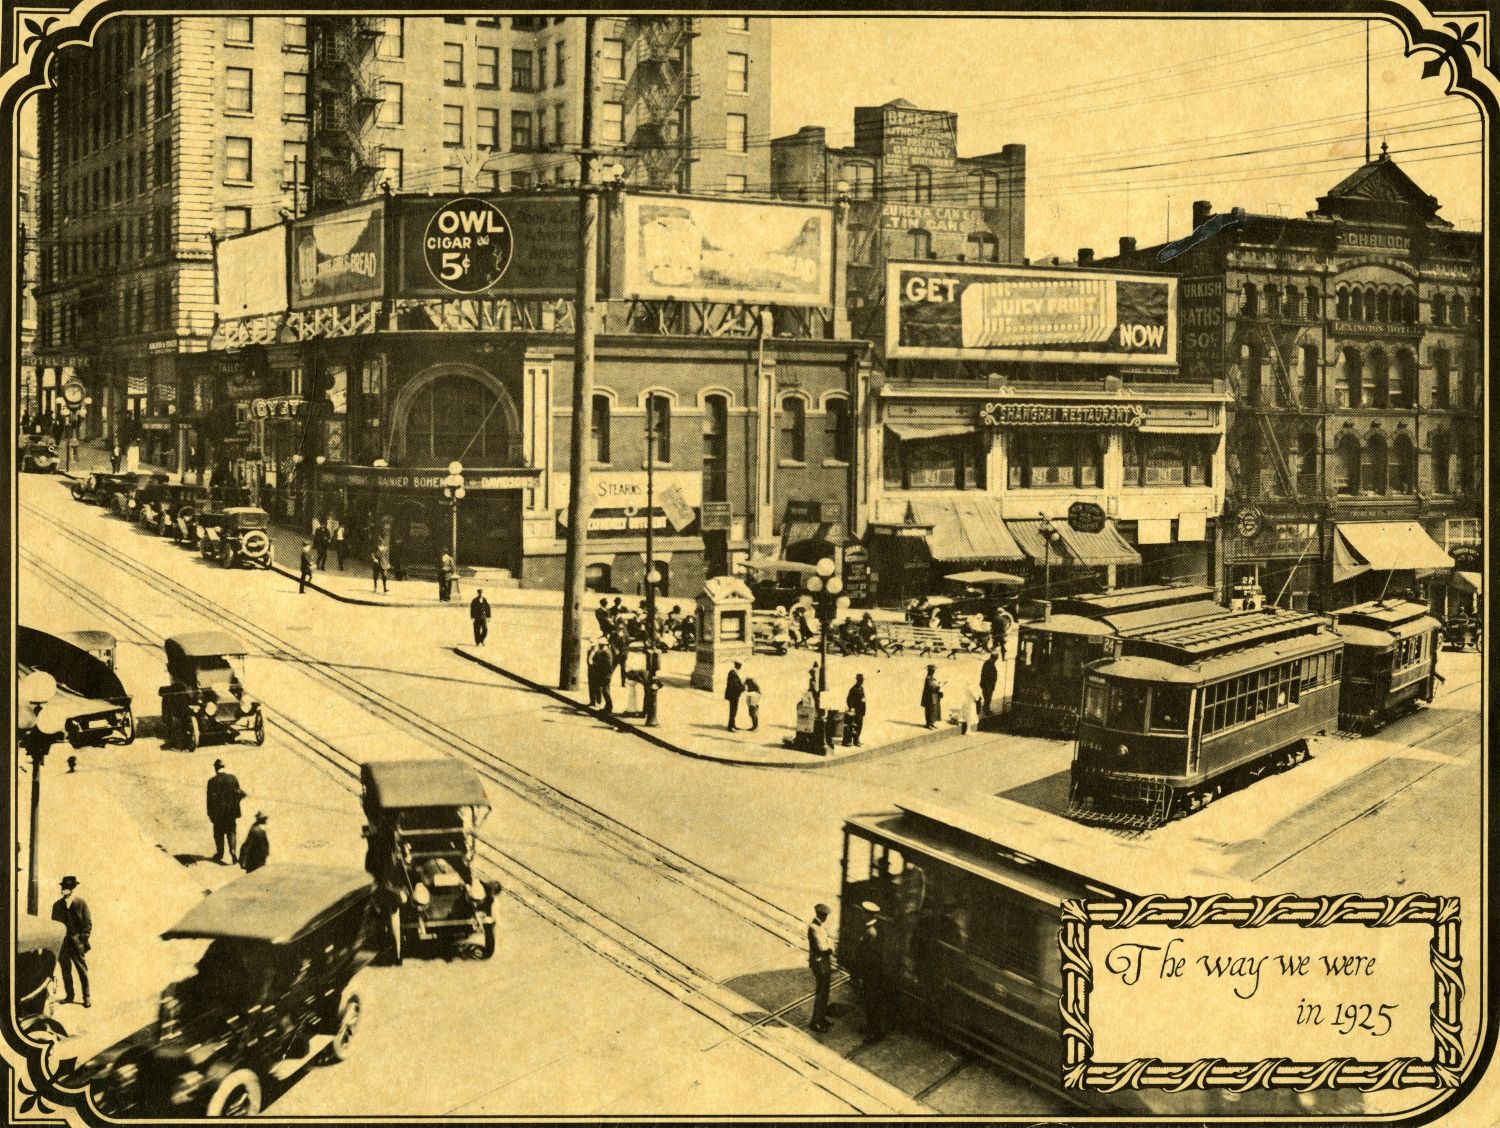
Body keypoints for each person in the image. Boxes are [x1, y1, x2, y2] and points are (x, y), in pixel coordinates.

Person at [52, 876, 92, 1007]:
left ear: (72, 889)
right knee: (65, 970)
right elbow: (54, 924)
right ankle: (70, 996)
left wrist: (81, 939)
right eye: (62, 887)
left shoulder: (81, 903)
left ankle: (87, 997)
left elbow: (88, 924)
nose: (63, 890)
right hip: (62, 943)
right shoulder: (57, 905)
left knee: (82, 970)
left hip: (76, 942)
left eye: (66, 888)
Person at [851, 901, 889, 1037]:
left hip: (870, 974)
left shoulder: (870, 932)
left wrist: (860, 973)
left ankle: (875, 1032)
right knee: (871, 1002)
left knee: (871, 1002)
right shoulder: (874, 927)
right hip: (873, 974)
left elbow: (868, 958)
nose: (861, 914)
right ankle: (871, 1028)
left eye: (863, 912)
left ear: (868, 914)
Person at [206, 758, 247, 865]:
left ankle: (220, 853)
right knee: (231, 832)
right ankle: (233, 851)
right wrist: (235, 804)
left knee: (218, 833)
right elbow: (240, 793)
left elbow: (209, 801)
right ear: (224, 767)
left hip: (218, 814)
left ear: (216, 769)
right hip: (231, 813)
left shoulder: (211, 782)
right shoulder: (233, 779)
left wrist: (210, 814)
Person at [806, 903, 834, 1033]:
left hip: (824, 963)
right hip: (819, 963)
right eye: (825, 915)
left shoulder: (820, 926)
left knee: (825, 992)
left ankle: (821, 1018)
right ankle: (815, 1022)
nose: (826, 918)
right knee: (821, 993)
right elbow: (822, 948)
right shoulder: (814, 927)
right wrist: (830, 950)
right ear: (820, 915)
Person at [589, 642, 615, 713]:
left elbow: (608, 665)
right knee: (605, 691)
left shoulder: (606, 653)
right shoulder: (605, 652)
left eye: (601, 645)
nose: (600, 646)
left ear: (604, 645)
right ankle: (607, 707)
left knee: (605, 691)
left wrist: (596, 664)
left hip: (606, 675)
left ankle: (609, 707)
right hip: (605, 675)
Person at [845, 674, 867, 746]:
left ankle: (856, 739)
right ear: (857, 680)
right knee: (854, 726)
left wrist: (863, 710)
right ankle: (852, 741)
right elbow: (848, 699)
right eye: (861, 680)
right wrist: (851, 707)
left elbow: (863, 699)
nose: (862, 681)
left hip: (861, 711)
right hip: (856, 711)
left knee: (860, 726)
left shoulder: (861, 688)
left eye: (862, 680)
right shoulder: (853, 689)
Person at [724, 661, 745, 731]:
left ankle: (733, 724)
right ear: (738, 666)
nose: (741, 667)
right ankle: (730, 726)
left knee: (734, 710)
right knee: (733, 710)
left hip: (734, 694)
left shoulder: (734, 672)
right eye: (740, 666)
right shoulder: (733, 673)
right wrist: (743, 688)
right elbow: (735, 685)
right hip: (733, 695)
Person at [979, 652, 999, 717]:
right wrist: (984, 683)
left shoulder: (990, 663)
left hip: (989, 684)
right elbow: (984, 675)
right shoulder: (988, 664)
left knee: (987, 697)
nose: (996, 659)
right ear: (994, 658)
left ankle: (985, 709)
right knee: (988, 697)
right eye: (996, 658)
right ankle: (986, 710)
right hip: (987, 684)